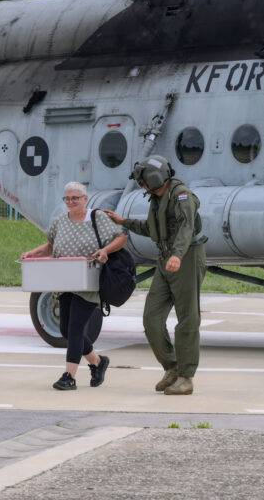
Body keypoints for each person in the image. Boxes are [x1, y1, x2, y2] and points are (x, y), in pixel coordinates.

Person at [105, 155, 206, 396]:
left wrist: (177, 256)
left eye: (142, 181)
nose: (141, 185)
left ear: (152, 179)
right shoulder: (157, 199)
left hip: (186, 258)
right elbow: (153, 229)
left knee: (187, 319)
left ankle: (186, 377)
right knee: (151, 318)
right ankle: (171, 367)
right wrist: (124, 222)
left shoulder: (182, 196)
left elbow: (186, 227)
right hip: (165, 259)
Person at [21, 182, 128, 391]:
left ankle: (69, 376)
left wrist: (105, 250)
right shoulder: (60, 221)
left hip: (89, 283)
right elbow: (51, 246)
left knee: (75, 327)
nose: (70, 202)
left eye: (75, 198)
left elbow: (122, 238)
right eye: (67, 199)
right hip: (66, 283)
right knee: (65, 329)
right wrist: (33, 253)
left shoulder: (97, 219)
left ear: (85, 199)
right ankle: (98, 362)